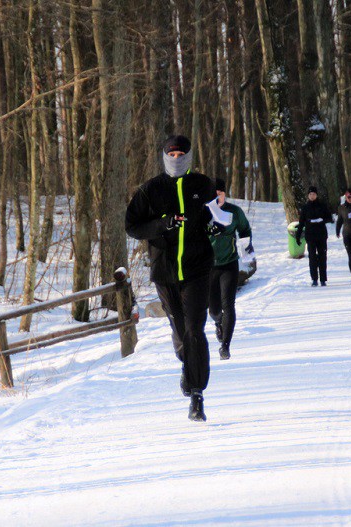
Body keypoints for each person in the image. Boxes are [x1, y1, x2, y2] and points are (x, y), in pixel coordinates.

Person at [125, 135, 218, 422]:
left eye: (181, 154)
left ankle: (197, 395)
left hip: (197, 269)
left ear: (189, 156)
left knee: (194, 330)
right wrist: (162, 225)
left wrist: (214, 227)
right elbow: (132, 227)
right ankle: (185, 365)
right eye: (171, 154)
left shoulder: (203, 185)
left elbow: (217, 216)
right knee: (180, 332)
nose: (176, 158)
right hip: (164, 273)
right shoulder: (150, 189)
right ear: (164, 156)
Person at [208, 178, 252, 361]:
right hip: (209, 267)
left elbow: (245, 230)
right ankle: (218, 321)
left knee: (229, 305)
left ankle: (225, 345)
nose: (218, 196)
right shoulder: (205, 212)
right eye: (214, 194)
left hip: (229, 264)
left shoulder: (234, 211)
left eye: (220, 193)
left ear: (225, 193)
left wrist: (246, 251)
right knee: (214, 309)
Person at [295, 186, 334, 286]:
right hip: (310, 235)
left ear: (316, 195)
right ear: (308, 196)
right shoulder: (305, 207)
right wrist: (298, 236)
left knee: (322, 256)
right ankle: (314, 279)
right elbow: (301, 222)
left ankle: (323, 279)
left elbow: (330, 217)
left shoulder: (322, 205)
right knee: (312, 257)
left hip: (321, 235)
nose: (312, 196)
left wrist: (322, 220)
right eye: (310, 194)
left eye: (314, 194)